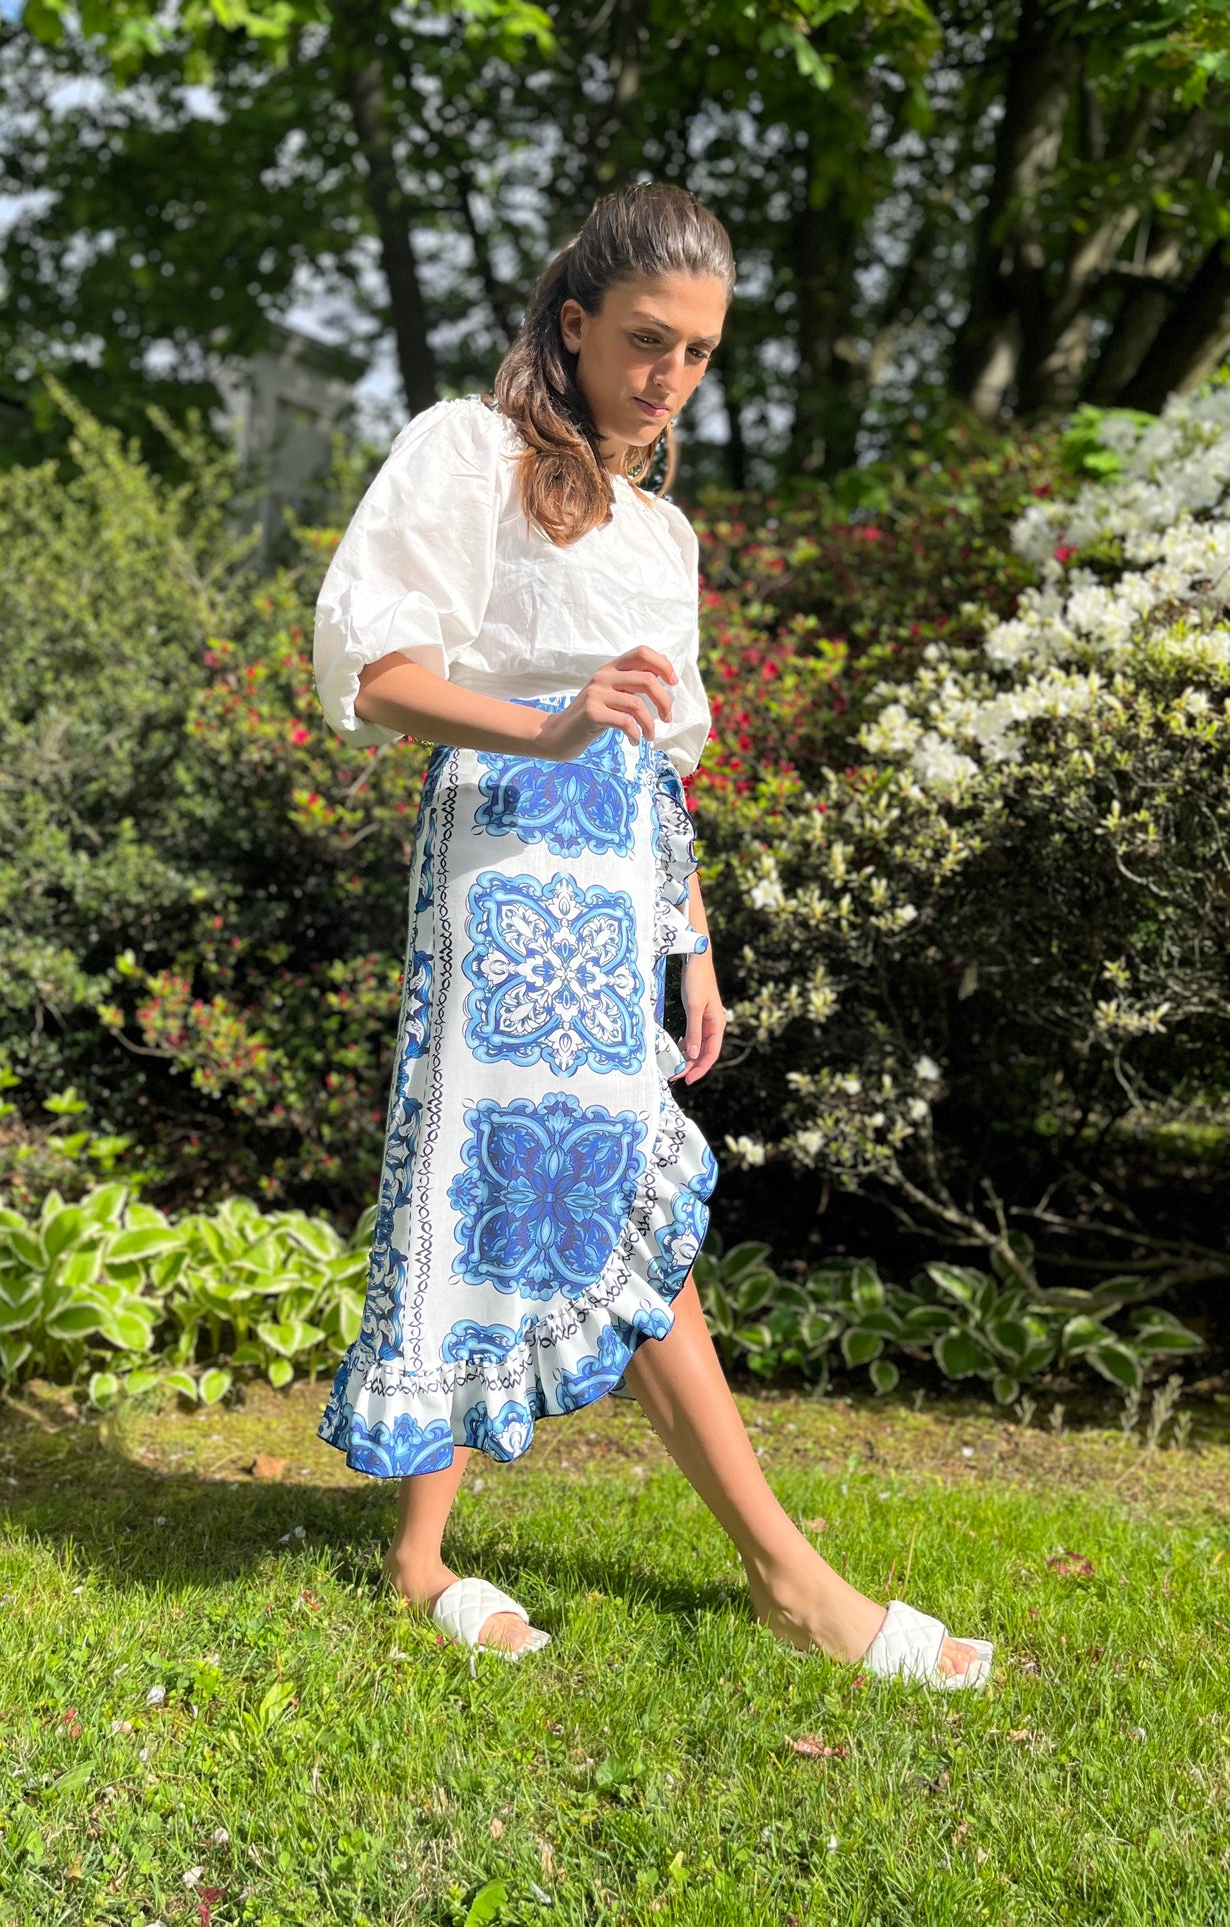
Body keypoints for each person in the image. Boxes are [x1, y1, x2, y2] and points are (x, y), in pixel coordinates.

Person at [311, 182, 992, 1689]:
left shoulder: (662, 530)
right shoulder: (464, 451)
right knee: (533, 1176)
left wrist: (690, 942)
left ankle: (423, 1552)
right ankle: (788, 1578)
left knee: (539, 1183)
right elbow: (372, 670)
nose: (667, 374)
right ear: (570, 326)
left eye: (695, 352)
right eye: (642, 339)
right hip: (502, 857)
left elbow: (659, 761)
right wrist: (543, 731)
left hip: (620, 884)